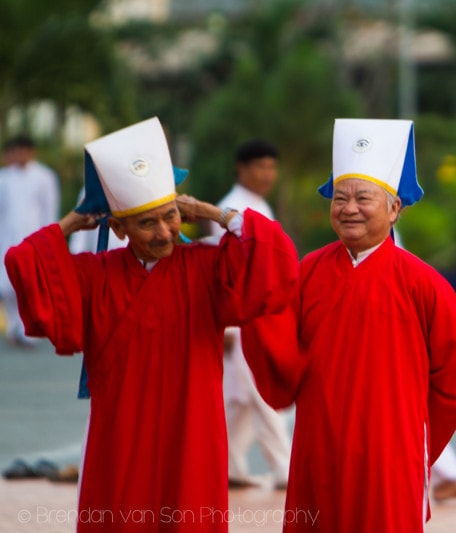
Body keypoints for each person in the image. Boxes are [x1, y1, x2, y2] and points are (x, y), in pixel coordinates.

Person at [3, 117, 298, 533]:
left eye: (171, 217)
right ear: (119, 228)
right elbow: (23, 263)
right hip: (121, 431)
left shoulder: (206, 266)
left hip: (193, 428)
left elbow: (276, 260)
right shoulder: (94, 273)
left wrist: (212, 213)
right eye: (147, 223)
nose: (164, 233)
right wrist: (73, 220)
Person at [241, 118, 456, 532]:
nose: (349, 208)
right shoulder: (309, 272)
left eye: (363, 198)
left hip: (390, 459)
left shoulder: (422, 282)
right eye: (340, 197)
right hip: (317, 450)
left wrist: (414, 441)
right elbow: (278, 354)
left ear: (394, 208)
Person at [209, 139, 293, 490]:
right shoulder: (229, 208)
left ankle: (227, 465)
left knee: (241, 399)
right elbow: (223, 266)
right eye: (260, 166)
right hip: (243, 317)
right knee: (261, 394)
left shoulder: (259, 204)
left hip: (262, 314)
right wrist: (227, 326)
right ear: (241, 169)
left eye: (271, 166)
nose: (267, 174)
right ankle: (287, 470)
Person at [0, 135, 60, 347]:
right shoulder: (4, 178)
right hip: (7, 237)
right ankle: (14, 327)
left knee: (30, 284)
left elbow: (49, 209)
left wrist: (49, 240)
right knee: (7, 287)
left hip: (34, 239)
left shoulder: (44, 176)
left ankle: (28, 331)